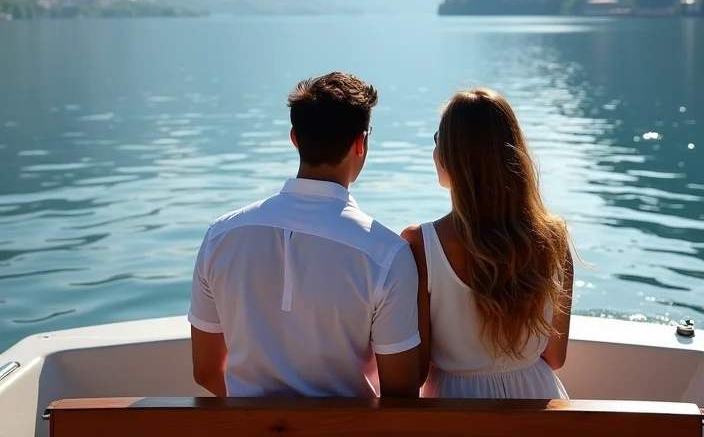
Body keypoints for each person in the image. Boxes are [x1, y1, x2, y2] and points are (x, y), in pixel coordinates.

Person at [188, 72, 420, 398]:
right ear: (361, 143)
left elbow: (206, 371)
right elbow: (400, 395)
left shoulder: (220, 236)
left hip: (247, 425)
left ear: (295, 138)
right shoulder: (387, 254)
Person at [401, 87, 573, 398]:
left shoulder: (420, 244)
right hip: (538, 402)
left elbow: (417, 370)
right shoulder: (554, 238)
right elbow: (555, 357)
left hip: (456, 407)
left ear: (451, 156)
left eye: (438, 140)